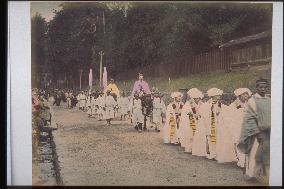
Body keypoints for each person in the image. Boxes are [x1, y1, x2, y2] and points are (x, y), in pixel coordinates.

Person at [237, 78, 271, 183]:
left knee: (267, 153)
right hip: (256, 133)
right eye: (261, 87)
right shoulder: (252, 100)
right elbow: (250, 118)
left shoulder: (269, 99)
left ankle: (267, 175)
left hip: (268, 131)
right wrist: (258, 132)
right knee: (255, 153)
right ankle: (252, 175)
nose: (263, 89)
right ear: (256, 88)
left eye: (265, 87)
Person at [226, 88, 252, 168]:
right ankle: (241, 161)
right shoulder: (234, 105)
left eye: (246, 94)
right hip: (237, 127)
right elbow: (230, 118)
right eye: (244, 94)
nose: (246, 96)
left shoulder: (249, 104)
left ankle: (247, 160)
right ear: (239, 96)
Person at [199, 88, 227, 160]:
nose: (219, 97)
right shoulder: (207, 104)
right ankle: (212, 153)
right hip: (210, 124)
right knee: (210, 138)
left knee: (218, 138)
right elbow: (203, 113)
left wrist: (219, 113)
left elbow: (225, 110)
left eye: (219, 95)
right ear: (213, 96)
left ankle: (217, 154)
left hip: (218, 123)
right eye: (217, 95)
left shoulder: (220, 104)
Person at [180, 88, 204, 153]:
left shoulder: (201, 103)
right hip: (189, 121)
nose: (197, 100)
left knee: (197, 134)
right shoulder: (188, 103)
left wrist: (199, 115)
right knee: (189, 134)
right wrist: (191, 113)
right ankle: (188, 148)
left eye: (198, 98)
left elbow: (202, 111)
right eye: (195, 98)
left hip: (198, 120)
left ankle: (196, 147)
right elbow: (186, 112)